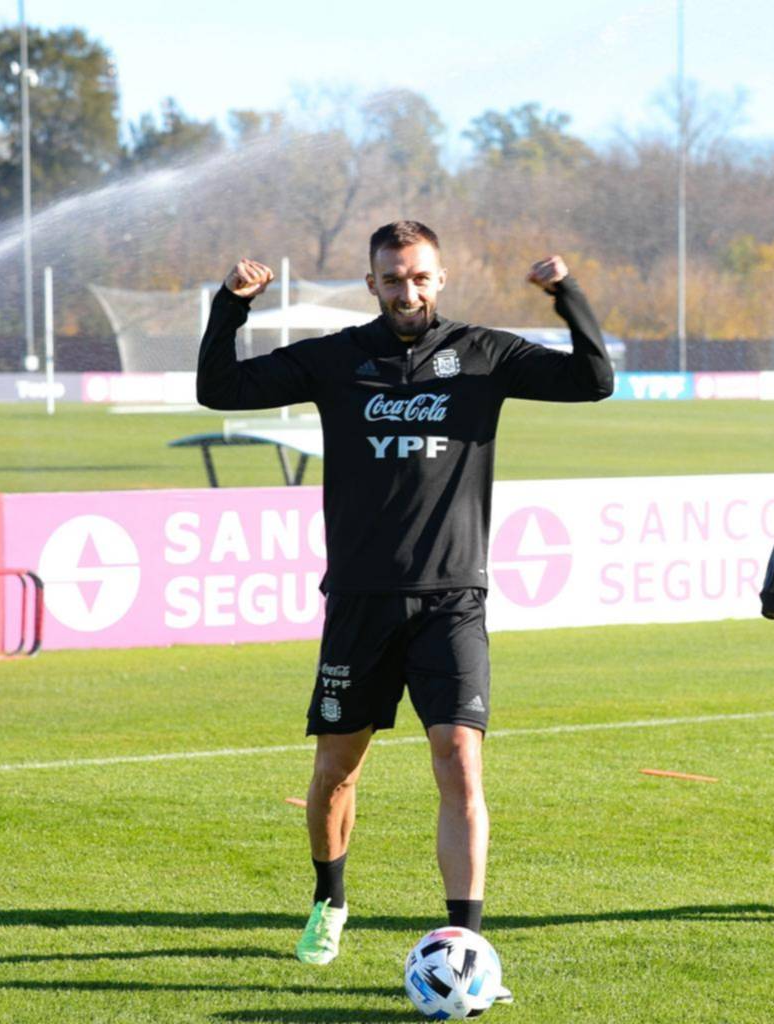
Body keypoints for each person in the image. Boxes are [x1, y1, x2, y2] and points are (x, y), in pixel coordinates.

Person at [196, 220, 614, 970]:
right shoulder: (335, 360)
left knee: (458, 758)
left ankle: (467, 943)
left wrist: (567, 295)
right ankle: (330, 899)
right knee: (336, 771)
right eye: (393, 278)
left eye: (420, 277)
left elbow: (594, 380)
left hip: (453, 596)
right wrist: (231, 307)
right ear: (372, 284)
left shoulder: (485, 355)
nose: (407, 290)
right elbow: (218, 388)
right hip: (360, 598)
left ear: (440, 279)